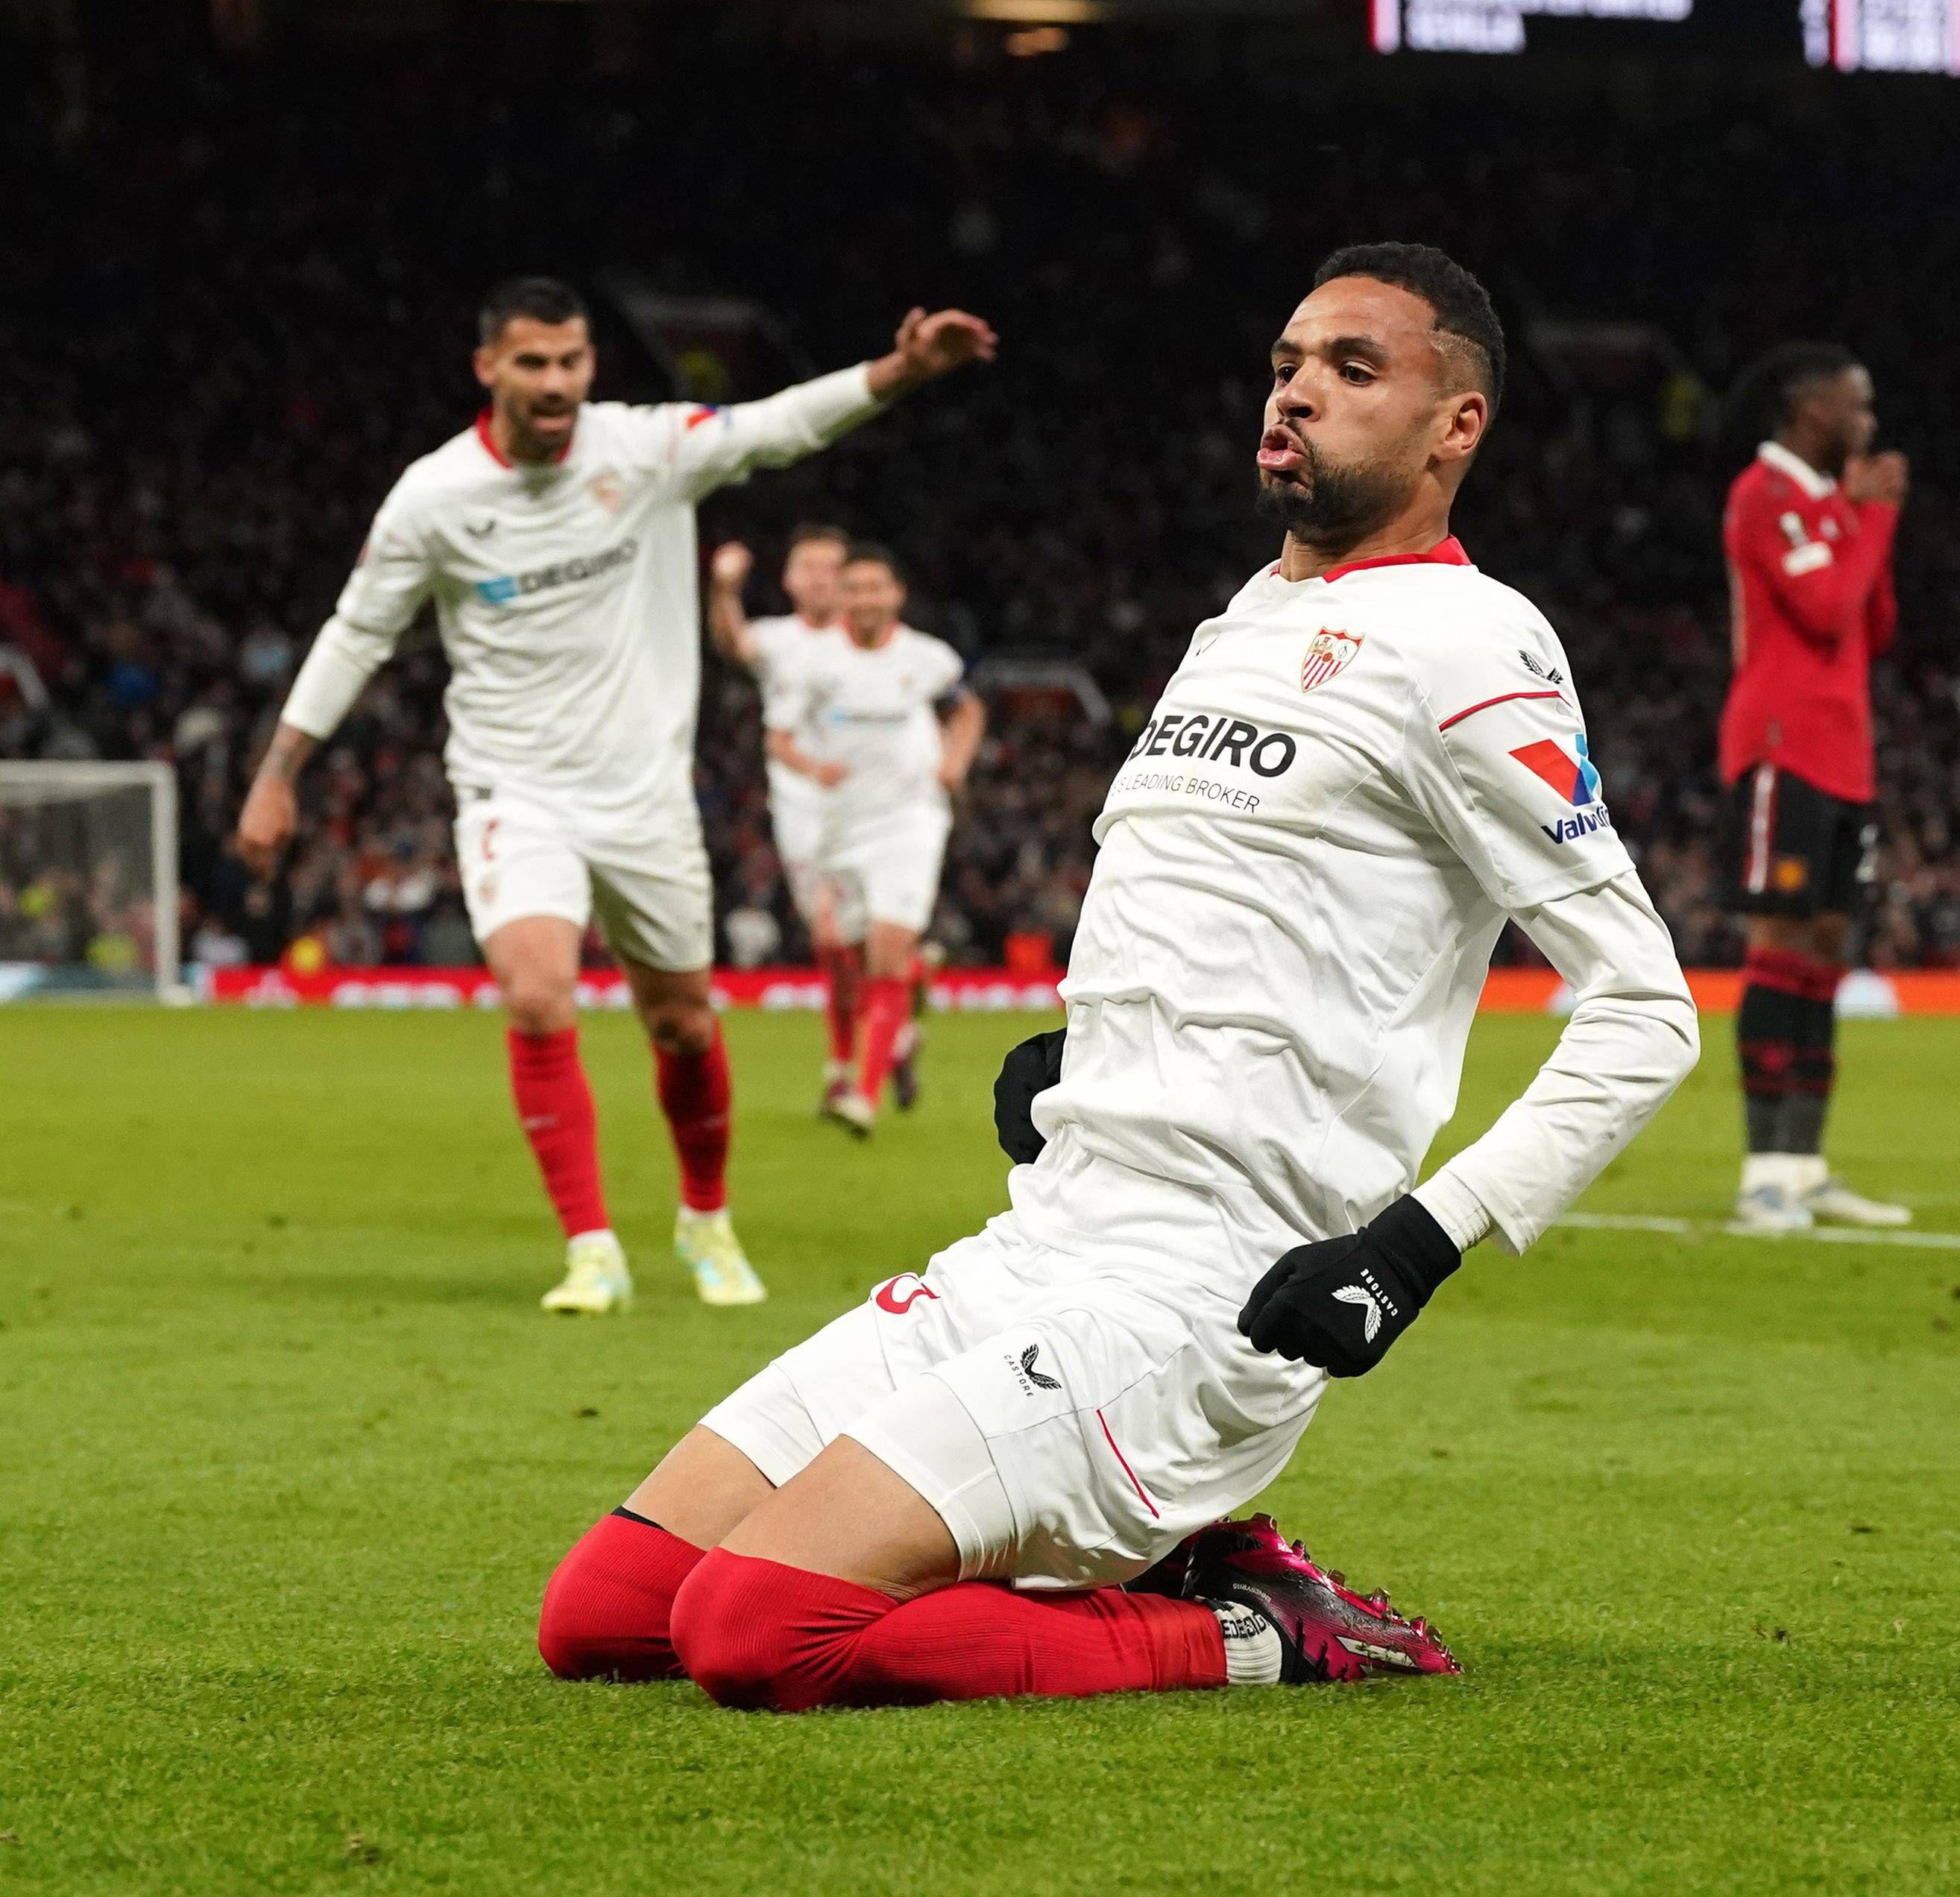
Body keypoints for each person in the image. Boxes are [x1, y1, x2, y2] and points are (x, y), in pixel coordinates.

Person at [534, 242, 1700, 1707]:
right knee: (606, 1618)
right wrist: (1079, 1063)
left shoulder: (1472, 645)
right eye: (1284, 363)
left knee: (753, 1637)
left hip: (1205, 1290)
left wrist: (1413, 1246)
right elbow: (1230, 909)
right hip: (1038, 1242)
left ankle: (1265, 1631)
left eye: (1353, 369)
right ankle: (1164, 1553)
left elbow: (1646, 1011)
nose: (1295, 393)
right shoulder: (1243, 621)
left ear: (1454, 424)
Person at [236, 277, 995, 1312]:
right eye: (532, 363)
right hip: (514, 788)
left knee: (682, 1024)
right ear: (488, 368)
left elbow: (776, 427)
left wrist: (901, 371)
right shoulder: (434, 497)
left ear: (591, 366)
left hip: (644, 798)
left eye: (571, 362)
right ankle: (590, 1247)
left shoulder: (643, 449)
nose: (554, 382)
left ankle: (706, 1218)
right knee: (539, 992)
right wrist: (279, 773)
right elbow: (356, 632)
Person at [1714, 343, 1909, 1232]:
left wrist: (1866, 520)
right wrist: (1868, 520)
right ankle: (1761, 1173)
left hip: (1844, 753)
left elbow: (1874, 623)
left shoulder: (1830, 507)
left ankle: (1804, 1164)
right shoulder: (1765, 497)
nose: (1868, 422)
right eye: (1855, 404)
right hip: (1782, 744)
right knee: (1777, 943)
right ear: (1808, 407)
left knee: (1825, 950)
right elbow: (1824, 609)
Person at [766, 544, 983, 1137]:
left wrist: (955, 763)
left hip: (911, 821)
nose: (864, 599)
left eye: (875, 588)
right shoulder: (812, 664)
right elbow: (779, 738)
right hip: (842, 827)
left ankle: (862, 1094)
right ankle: (908, 1010)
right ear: (840, 596)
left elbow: (967, 712)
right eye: (853, 588)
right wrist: (812, 769)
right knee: (852, 958)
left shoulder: (927, 658)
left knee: (882, 954)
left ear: (896, 595)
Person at [706, 526, 870, 1115]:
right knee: (832, 937)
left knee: (876, 938)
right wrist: (724, 589)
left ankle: (869, 1046)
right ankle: (863, 1048)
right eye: (810, 566)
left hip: (871, 808)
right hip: (803, 803)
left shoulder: (874, 643)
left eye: (833, 566)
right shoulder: (779, 639)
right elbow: (735, 644)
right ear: (790, 578)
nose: (822, 577)